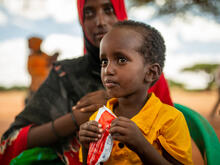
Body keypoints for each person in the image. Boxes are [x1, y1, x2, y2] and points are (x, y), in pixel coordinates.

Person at [0, 0, 172, 164]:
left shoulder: (150, 76)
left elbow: (173, 142)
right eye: (89, 13)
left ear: (122, 13)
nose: (100, 21)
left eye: (108, 10)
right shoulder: (64, 74)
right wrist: (76, 118)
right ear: (81, 21)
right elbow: (10, 140)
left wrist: (120, 103)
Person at [79, 20, 193, 165]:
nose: (108, 70)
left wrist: (141, 145)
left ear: (151, 72)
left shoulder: (170, 120)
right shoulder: (99, 117)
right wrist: (85, 146)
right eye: (104, 61)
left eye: (121, 60)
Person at [26, 36, 59, 103]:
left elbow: (53, 66)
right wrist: (47, 64)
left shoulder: (45, 55)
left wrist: (54, 58)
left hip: (47, 87)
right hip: (34, 87)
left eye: (30, 44)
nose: (29, 46)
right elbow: (30, 71)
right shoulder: (31, 57)